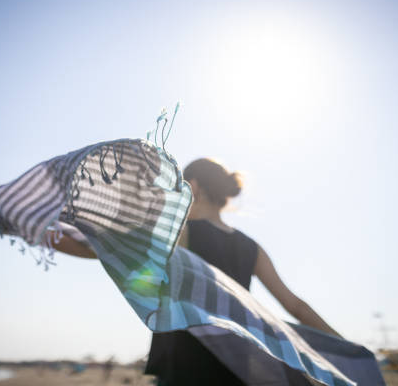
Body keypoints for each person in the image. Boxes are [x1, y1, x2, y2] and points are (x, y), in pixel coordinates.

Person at [48, 158, 341, 385]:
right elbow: (296, 306)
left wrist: (36, 230)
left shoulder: (182, 232)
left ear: (195, 187)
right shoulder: (252, 247)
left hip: (187, 362)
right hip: (239, 364)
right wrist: (344, 347)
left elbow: (96, 248)